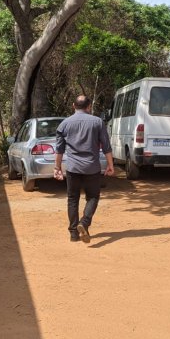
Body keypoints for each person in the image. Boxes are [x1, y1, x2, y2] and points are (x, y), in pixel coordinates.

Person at [54, 95, 115, 243]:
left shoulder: (64, 124)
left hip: (73, 168)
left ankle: (73, 234)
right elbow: (106, 146)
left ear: (74, 106)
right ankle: (84, 222)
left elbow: (59, 150)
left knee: (72, 199)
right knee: (93, 197)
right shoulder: (98, 122)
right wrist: (110, 165)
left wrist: (57, 168)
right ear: (89, 107)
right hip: (92, 168)